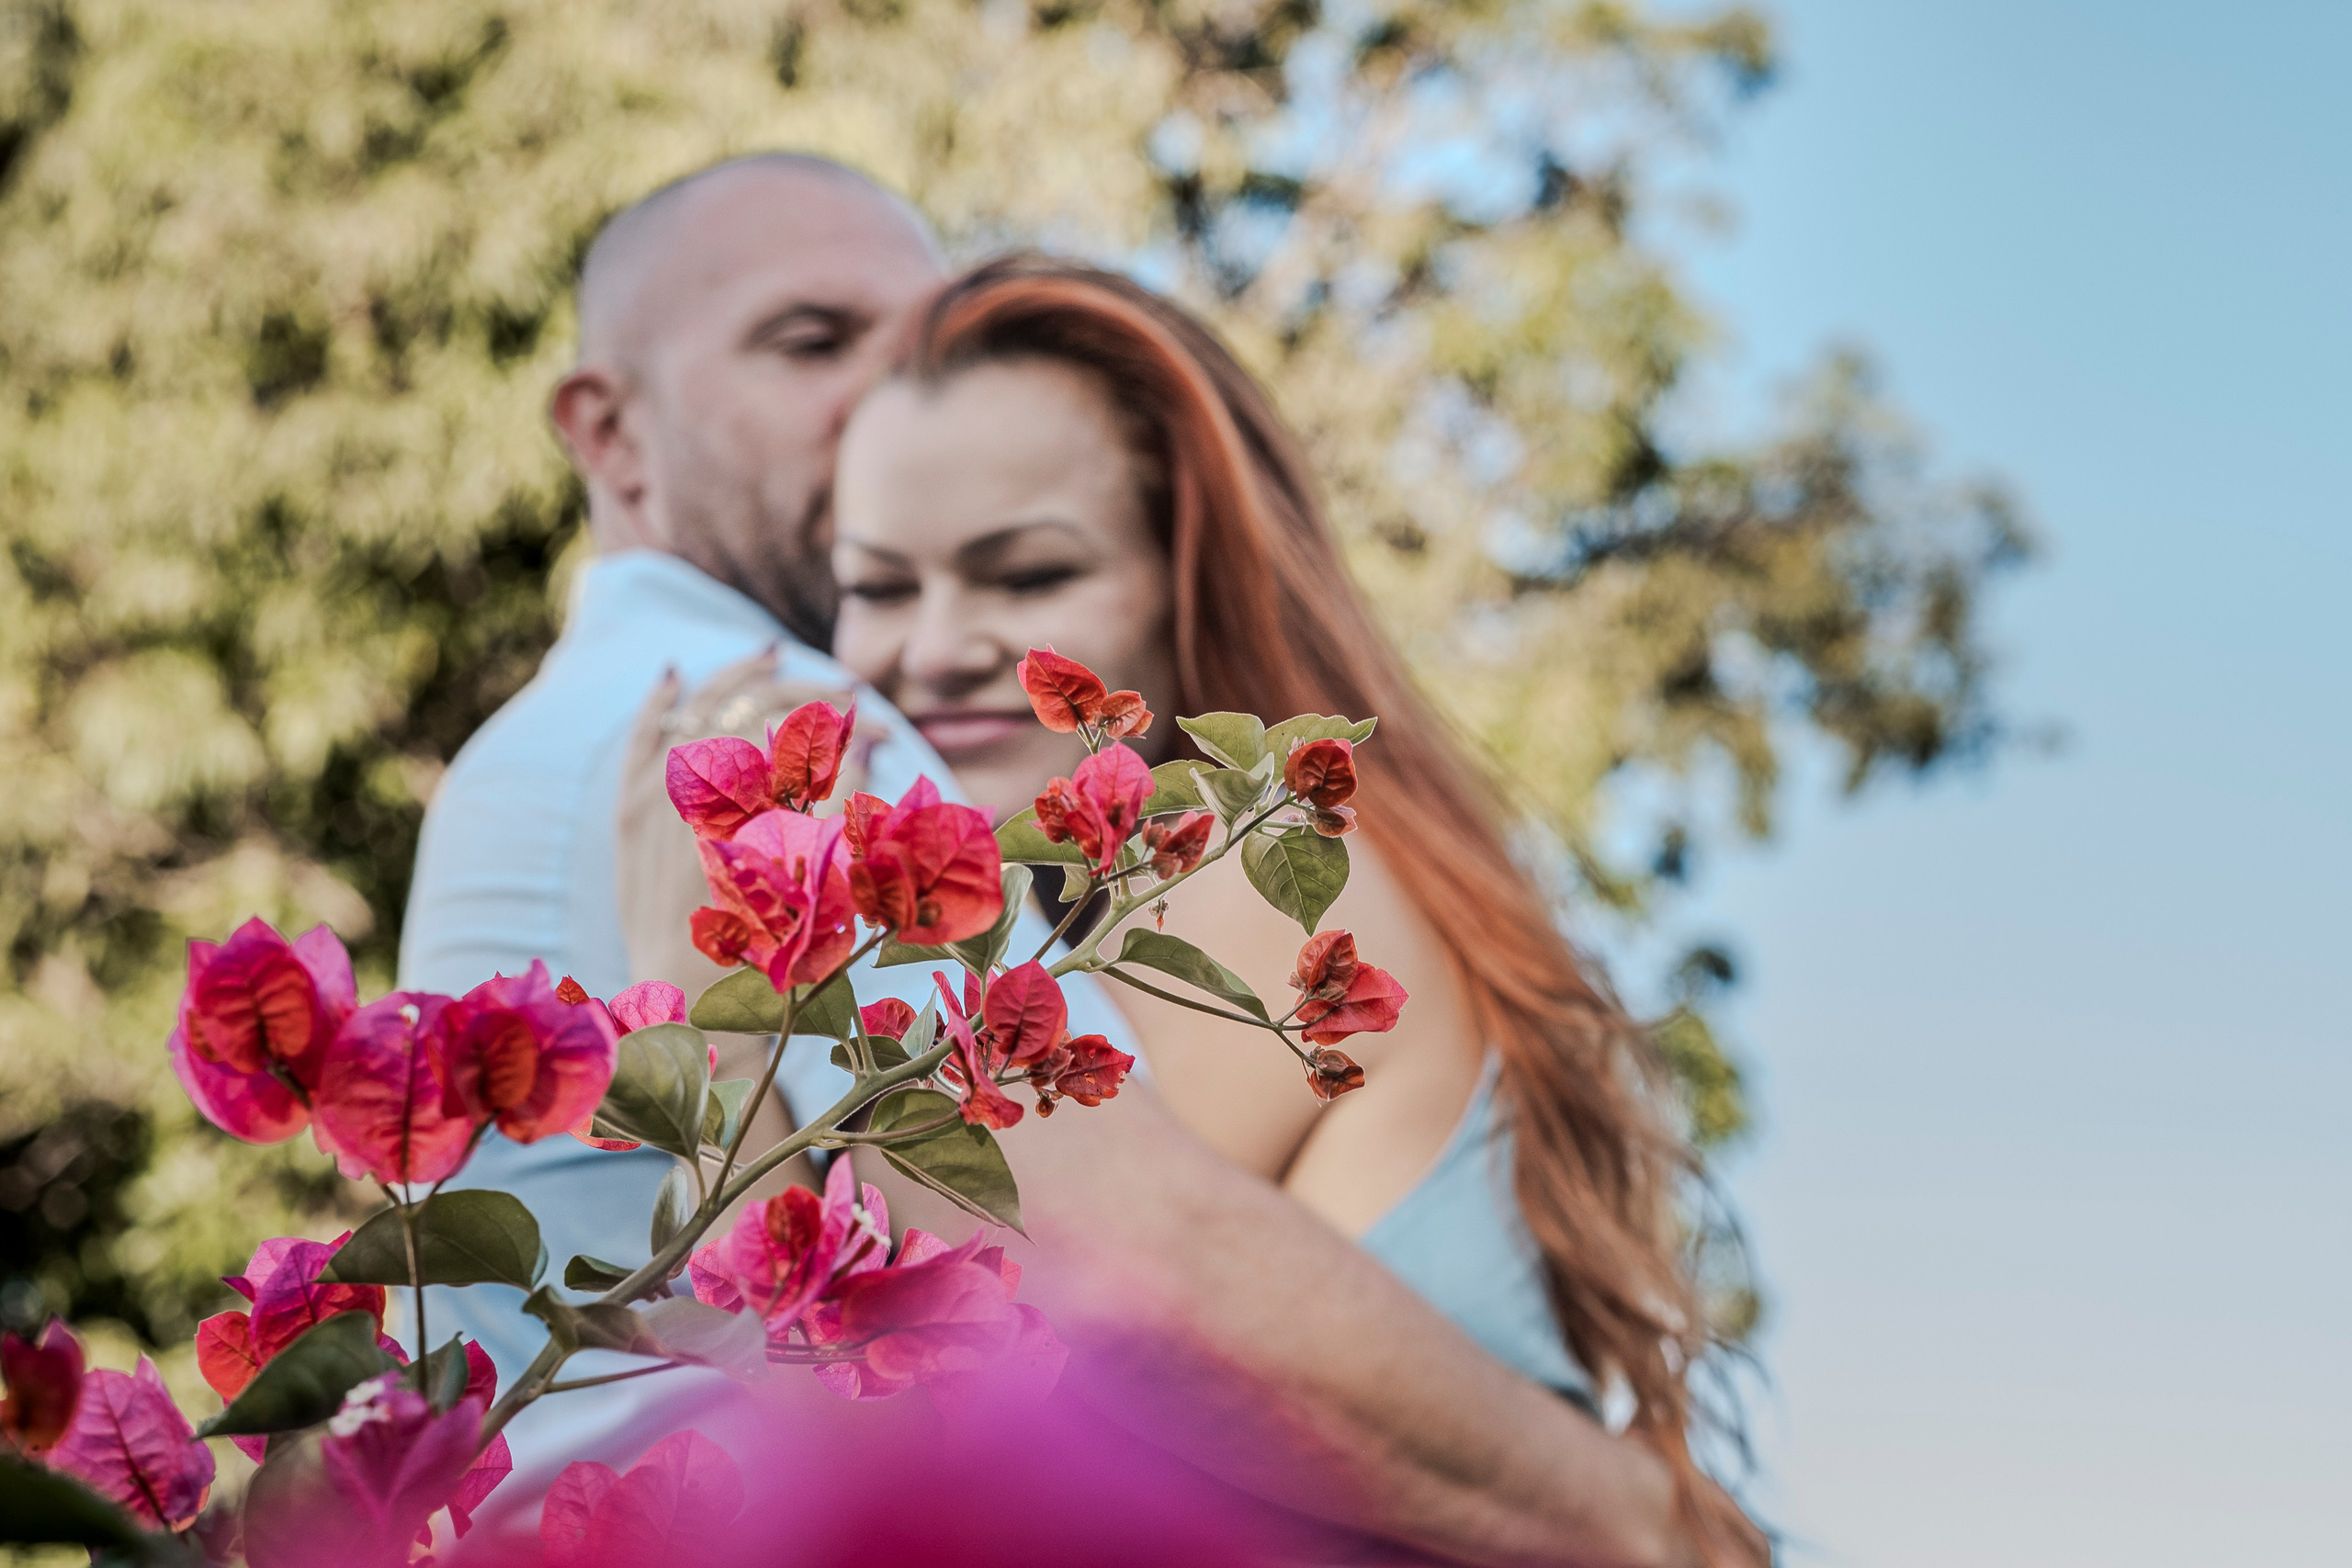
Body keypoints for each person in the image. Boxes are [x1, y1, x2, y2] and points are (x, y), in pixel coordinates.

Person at [408, 151, 1753, 1566]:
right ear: (608, 435)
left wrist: (1650, 1525)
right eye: (814, 342)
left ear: (1173, 584)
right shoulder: (754, 735)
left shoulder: (1258, 879)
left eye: (1031, 574)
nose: (933, 645)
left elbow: (1067, 1319)